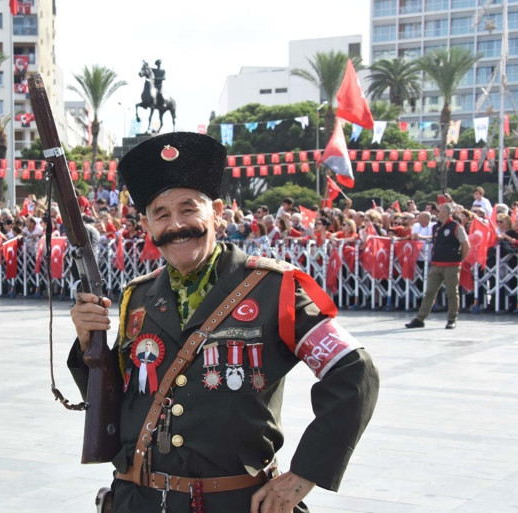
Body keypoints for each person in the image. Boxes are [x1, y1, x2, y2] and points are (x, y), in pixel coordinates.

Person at [68, 132, 379, 513]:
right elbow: (116, 401)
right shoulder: (138, 297)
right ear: (147, 224)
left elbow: (354, 371)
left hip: (235, 502)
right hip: (142, 500)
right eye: (161, 214)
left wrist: (305, 474)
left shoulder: (275, 289)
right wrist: (87, 345)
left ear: (216, 211)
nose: (177, 224)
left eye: (188, 208)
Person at [405, 203, 470, 330]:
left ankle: (452, 318)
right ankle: (420, 318)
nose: (436, 213)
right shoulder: (436, 227)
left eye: (439, 211)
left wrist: (460, 259)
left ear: (446, 213)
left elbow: (465, 244)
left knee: (452, 292)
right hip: (436, 263)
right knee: (429, 292)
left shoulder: (456, 227)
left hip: (451, 264)